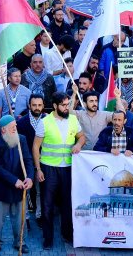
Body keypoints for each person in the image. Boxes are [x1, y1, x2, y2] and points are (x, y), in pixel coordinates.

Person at [33, 92, 85, 249]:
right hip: (48, 168)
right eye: (63, 105)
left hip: (68, 168)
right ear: (55, 106)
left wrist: (78, 144)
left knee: (67, 204)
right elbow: (35, 146)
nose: (66, 107)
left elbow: (82, 137)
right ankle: (48, 238)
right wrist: (38, 169)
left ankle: (67, 234)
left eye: (67, 104)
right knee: (47, 205)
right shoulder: (44, 122)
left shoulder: (73, 119)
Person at [0, 115, 33, 253]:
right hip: (0, 189)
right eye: (12, 127)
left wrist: (29, 177)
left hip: (19, 188)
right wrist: (14, 180)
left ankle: (20, 242)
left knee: (19, 219)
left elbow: (28, 160)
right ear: (3, 130)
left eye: (15, 126)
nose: (15, 129)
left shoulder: (21, 139)